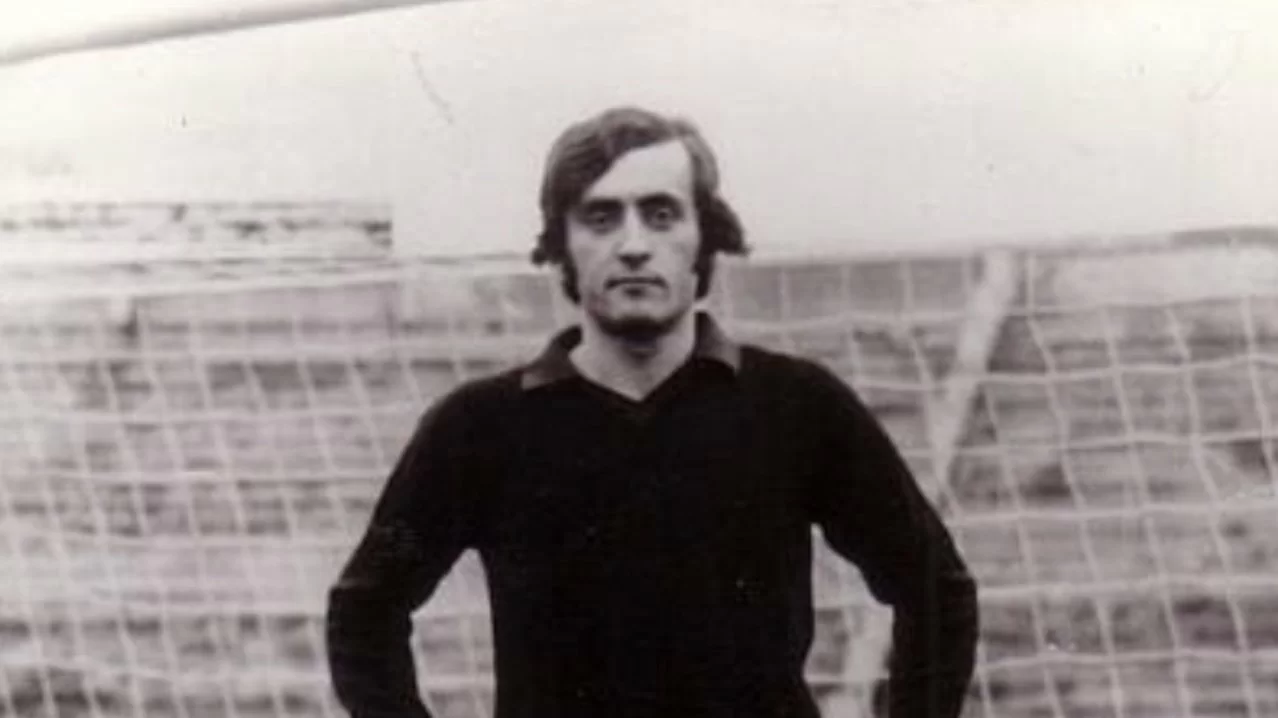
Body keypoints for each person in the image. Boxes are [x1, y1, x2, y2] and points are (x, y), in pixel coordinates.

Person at [326, 106, 979, 718]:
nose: (633, 245)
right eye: (601, 217)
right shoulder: (477, 429)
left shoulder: (799, 407)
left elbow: (935, 589)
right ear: (562, 243)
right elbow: (366, 609)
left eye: (661, 214)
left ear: (705, 237)